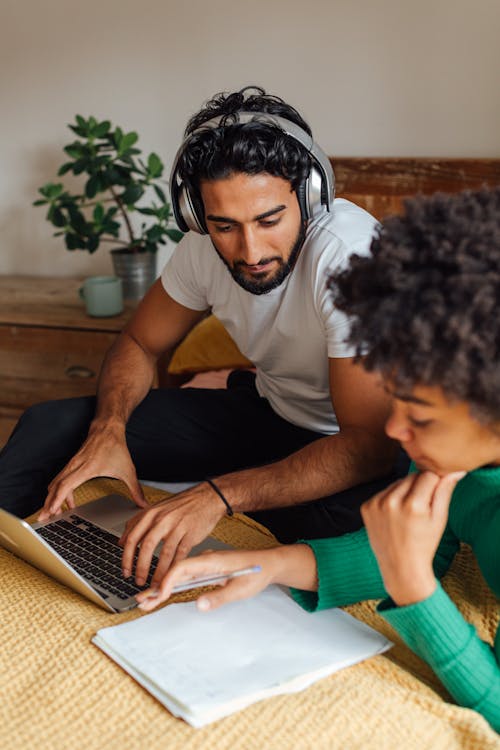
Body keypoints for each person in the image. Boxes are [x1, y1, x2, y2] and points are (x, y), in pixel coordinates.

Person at [0, 86, 402, 586]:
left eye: (269, 219)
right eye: (225, 225)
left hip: (346, 447)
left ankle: (221, 515)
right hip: (267, 418)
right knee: (49, 424)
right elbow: (141, 343)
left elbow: (368, 446)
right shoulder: (202, 248)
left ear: (309, 196)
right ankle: (18, 557)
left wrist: (216, 495)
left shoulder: (350, 257)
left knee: (352, 525)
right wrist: (110, 428)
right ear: (198, 215)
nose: (250, 249)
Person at [138, 187, 500, 731]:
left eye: (420, 418)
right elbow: (426, 542)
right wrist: (266, 566)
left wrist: (416, 589)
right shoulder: (453, 469)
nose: (393, 431)